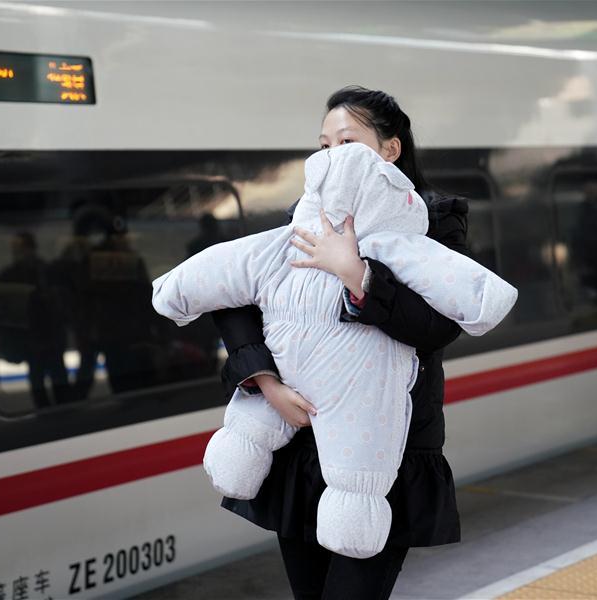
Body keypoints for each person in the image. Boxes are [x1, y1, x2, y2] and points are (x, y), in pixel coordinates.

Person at [211, 86, 470, 599]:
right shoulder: (306, 212)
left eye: (346, 141)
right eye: (323, 145)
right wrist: (266, 384)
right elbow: (233, 291)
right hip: (298, 440)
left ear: (390, 149)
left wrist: (357, 274)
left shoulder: (434, 220)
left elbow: (439, 325)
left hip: (382, 452)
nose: (330, 156)